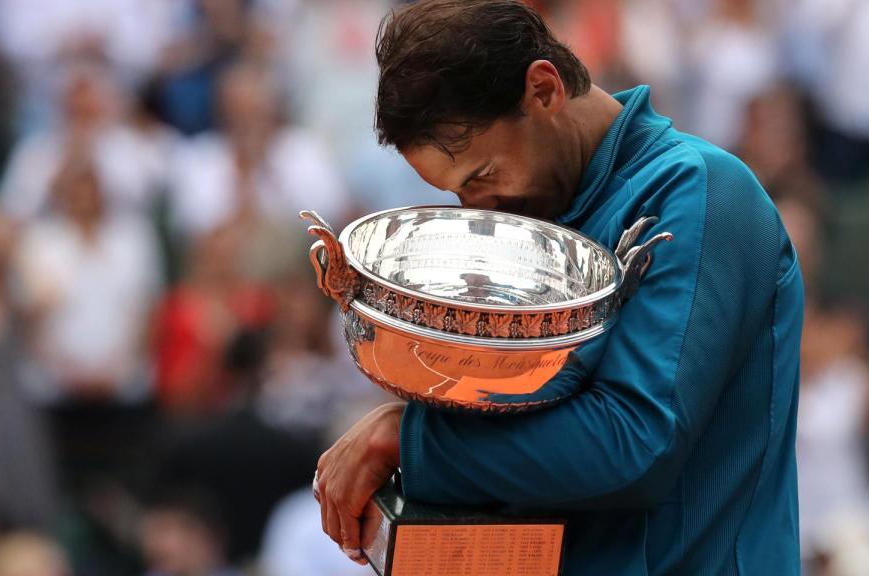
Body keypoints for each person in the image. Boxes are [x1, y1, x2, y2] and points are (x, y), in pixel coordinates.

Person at [312, 1, 804, 575]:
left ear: (544, 91)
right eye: (455, 194)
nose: (477, 209)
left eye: (482, 176)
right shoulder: (539, 220)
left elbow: (636, 442)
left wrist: (409, 439)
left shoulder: (701, 190)